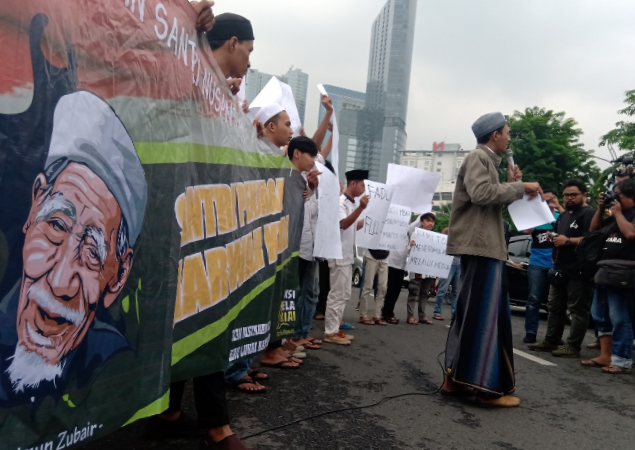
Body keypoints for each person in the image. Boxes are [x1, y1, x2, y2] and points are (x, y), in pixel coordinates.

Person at [150, 14, 259, 450]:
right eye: (249, 51)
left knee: (189, 314)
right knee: (204, 310)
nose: (251, 61)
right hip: (181, 216)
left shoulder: (216, 90)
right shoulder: (188, 73)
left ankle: (171, 412)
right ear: (232, 43)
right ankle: (217, 426)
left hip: (201, 216)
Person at [0, 90, 147, 407]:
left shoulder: (113, 365)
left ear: (118, 276)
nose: (60, 281)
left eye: (93, 252)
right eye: (55, 226)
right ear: (35, 205)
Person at [442, 112, 542, 407]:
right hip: (481, 247)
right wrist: (522, 187)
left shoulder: (486, 161)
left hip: (483, 246)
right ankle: (485, 389)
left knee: (472, 313)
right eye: (507, 132)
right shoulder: (478, 157)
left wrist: (511, 187)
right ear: (494, 134)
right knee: (484, 316)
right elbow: (481, 193)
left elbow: (488, 200)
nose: (510, 138)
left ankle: (455, 381)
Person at [528, 180, 595, 358]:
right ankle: (551, 340)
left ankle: (573, 346)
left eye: (574, 194)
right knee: (554, 306)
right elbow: (557, 234)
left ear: (584, 195)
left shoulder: (589, 213)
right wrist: (553, 236)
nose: (569, 198)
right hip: (559, 268)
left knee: (577, 309)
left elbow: (593, 239)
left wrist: (568, 241)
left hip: (579, 269)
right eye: (566, 195)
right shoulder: (563, 216)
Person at [581, 179, 635, 373]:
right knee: (600, 315)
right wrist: (601, 208)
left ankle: (622, 360)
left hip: (624, 273)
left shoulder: (628, 215)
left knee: (619, 317)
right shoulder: (613, 216)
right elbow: (594, 229)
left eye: (618, 194)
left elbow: (631, 234)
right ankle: (605, 356)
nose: (614, 198)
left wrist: (619, 213)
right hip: (603, 270)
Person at [324, 170, 369, 345]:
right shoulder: (341, 202)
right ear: (353, 184)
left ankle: (335, 328)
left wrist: (369, 219)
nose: (363, 189)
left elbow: (352, 226)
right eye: (362, 185)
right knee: (336, 294)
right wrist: (361, 208)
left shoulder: (351, 203)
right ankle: (330, 332)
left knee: (344, 294)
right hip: (338, 254)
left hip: (347, 255)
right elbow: (343, 224)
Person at [521, 190, 562, 343]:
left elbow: (568, 225)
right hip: (537, 263)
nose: (548, 202)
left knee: (556, 301)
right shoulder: (536, 217)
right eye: (546, 200)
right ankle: (531, 332)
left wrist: (555, 207)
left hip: (555, 262)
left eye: (552, 199)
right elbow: (526, 230)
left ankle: (553, 336)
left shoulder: (559, 217)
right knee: (534, 299)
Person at [406, 213, 437, 325]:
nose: (430, 223)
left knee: (425, 293)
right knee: (414, 292)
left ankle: (422, 316)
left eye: (432, 221)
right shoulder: (416, 234)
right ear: (422, 222)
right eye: (428, 221)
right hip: (417, 269)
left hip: (429, 271)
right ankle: (410, 316)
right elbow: (409, 251)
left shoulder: (436, 238)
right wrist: (411, 246)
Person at [432, 228, 461, 321]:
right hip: (448, 263)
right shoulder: (449, 230)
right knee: (442, 289)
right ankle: (437, 312)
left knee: (456, 291)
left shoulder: (464, 233)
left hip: (459, 263)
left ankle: (454, 314)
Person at [358, 248, 389, 326]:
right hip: (371, 257)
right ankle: (363, 315)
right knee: (368, 286)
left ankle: (377, 315)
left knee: (383, 288)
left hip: (385, 258)